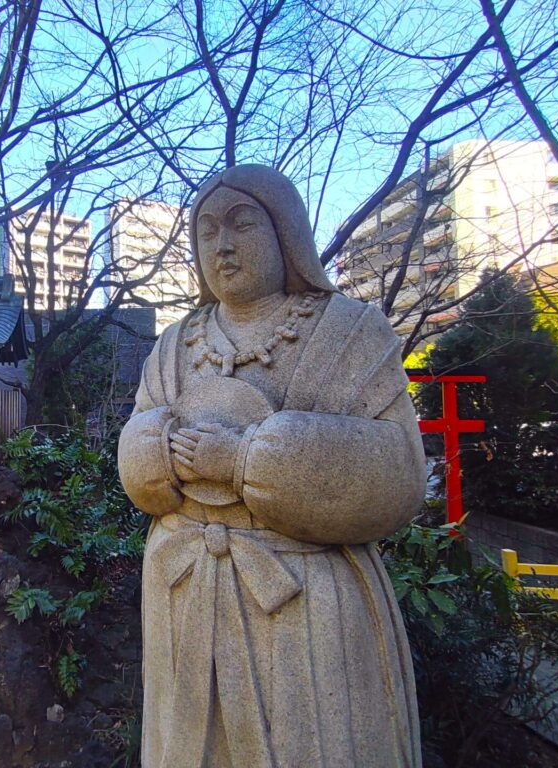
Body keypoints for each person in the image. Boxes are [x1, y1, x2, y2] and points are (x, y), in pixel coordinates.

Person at [118, 165, 426, 768]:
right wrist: (154, 451)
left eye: (241, 223)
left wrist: (248, 461)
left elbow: (398, 470)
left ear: (284, 230)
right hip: (185, 588)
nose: (222, 245)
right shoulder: (173, 345)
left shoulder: (350, 332)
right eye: (206, 231)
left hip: (305, 599)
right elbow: (136, 455)